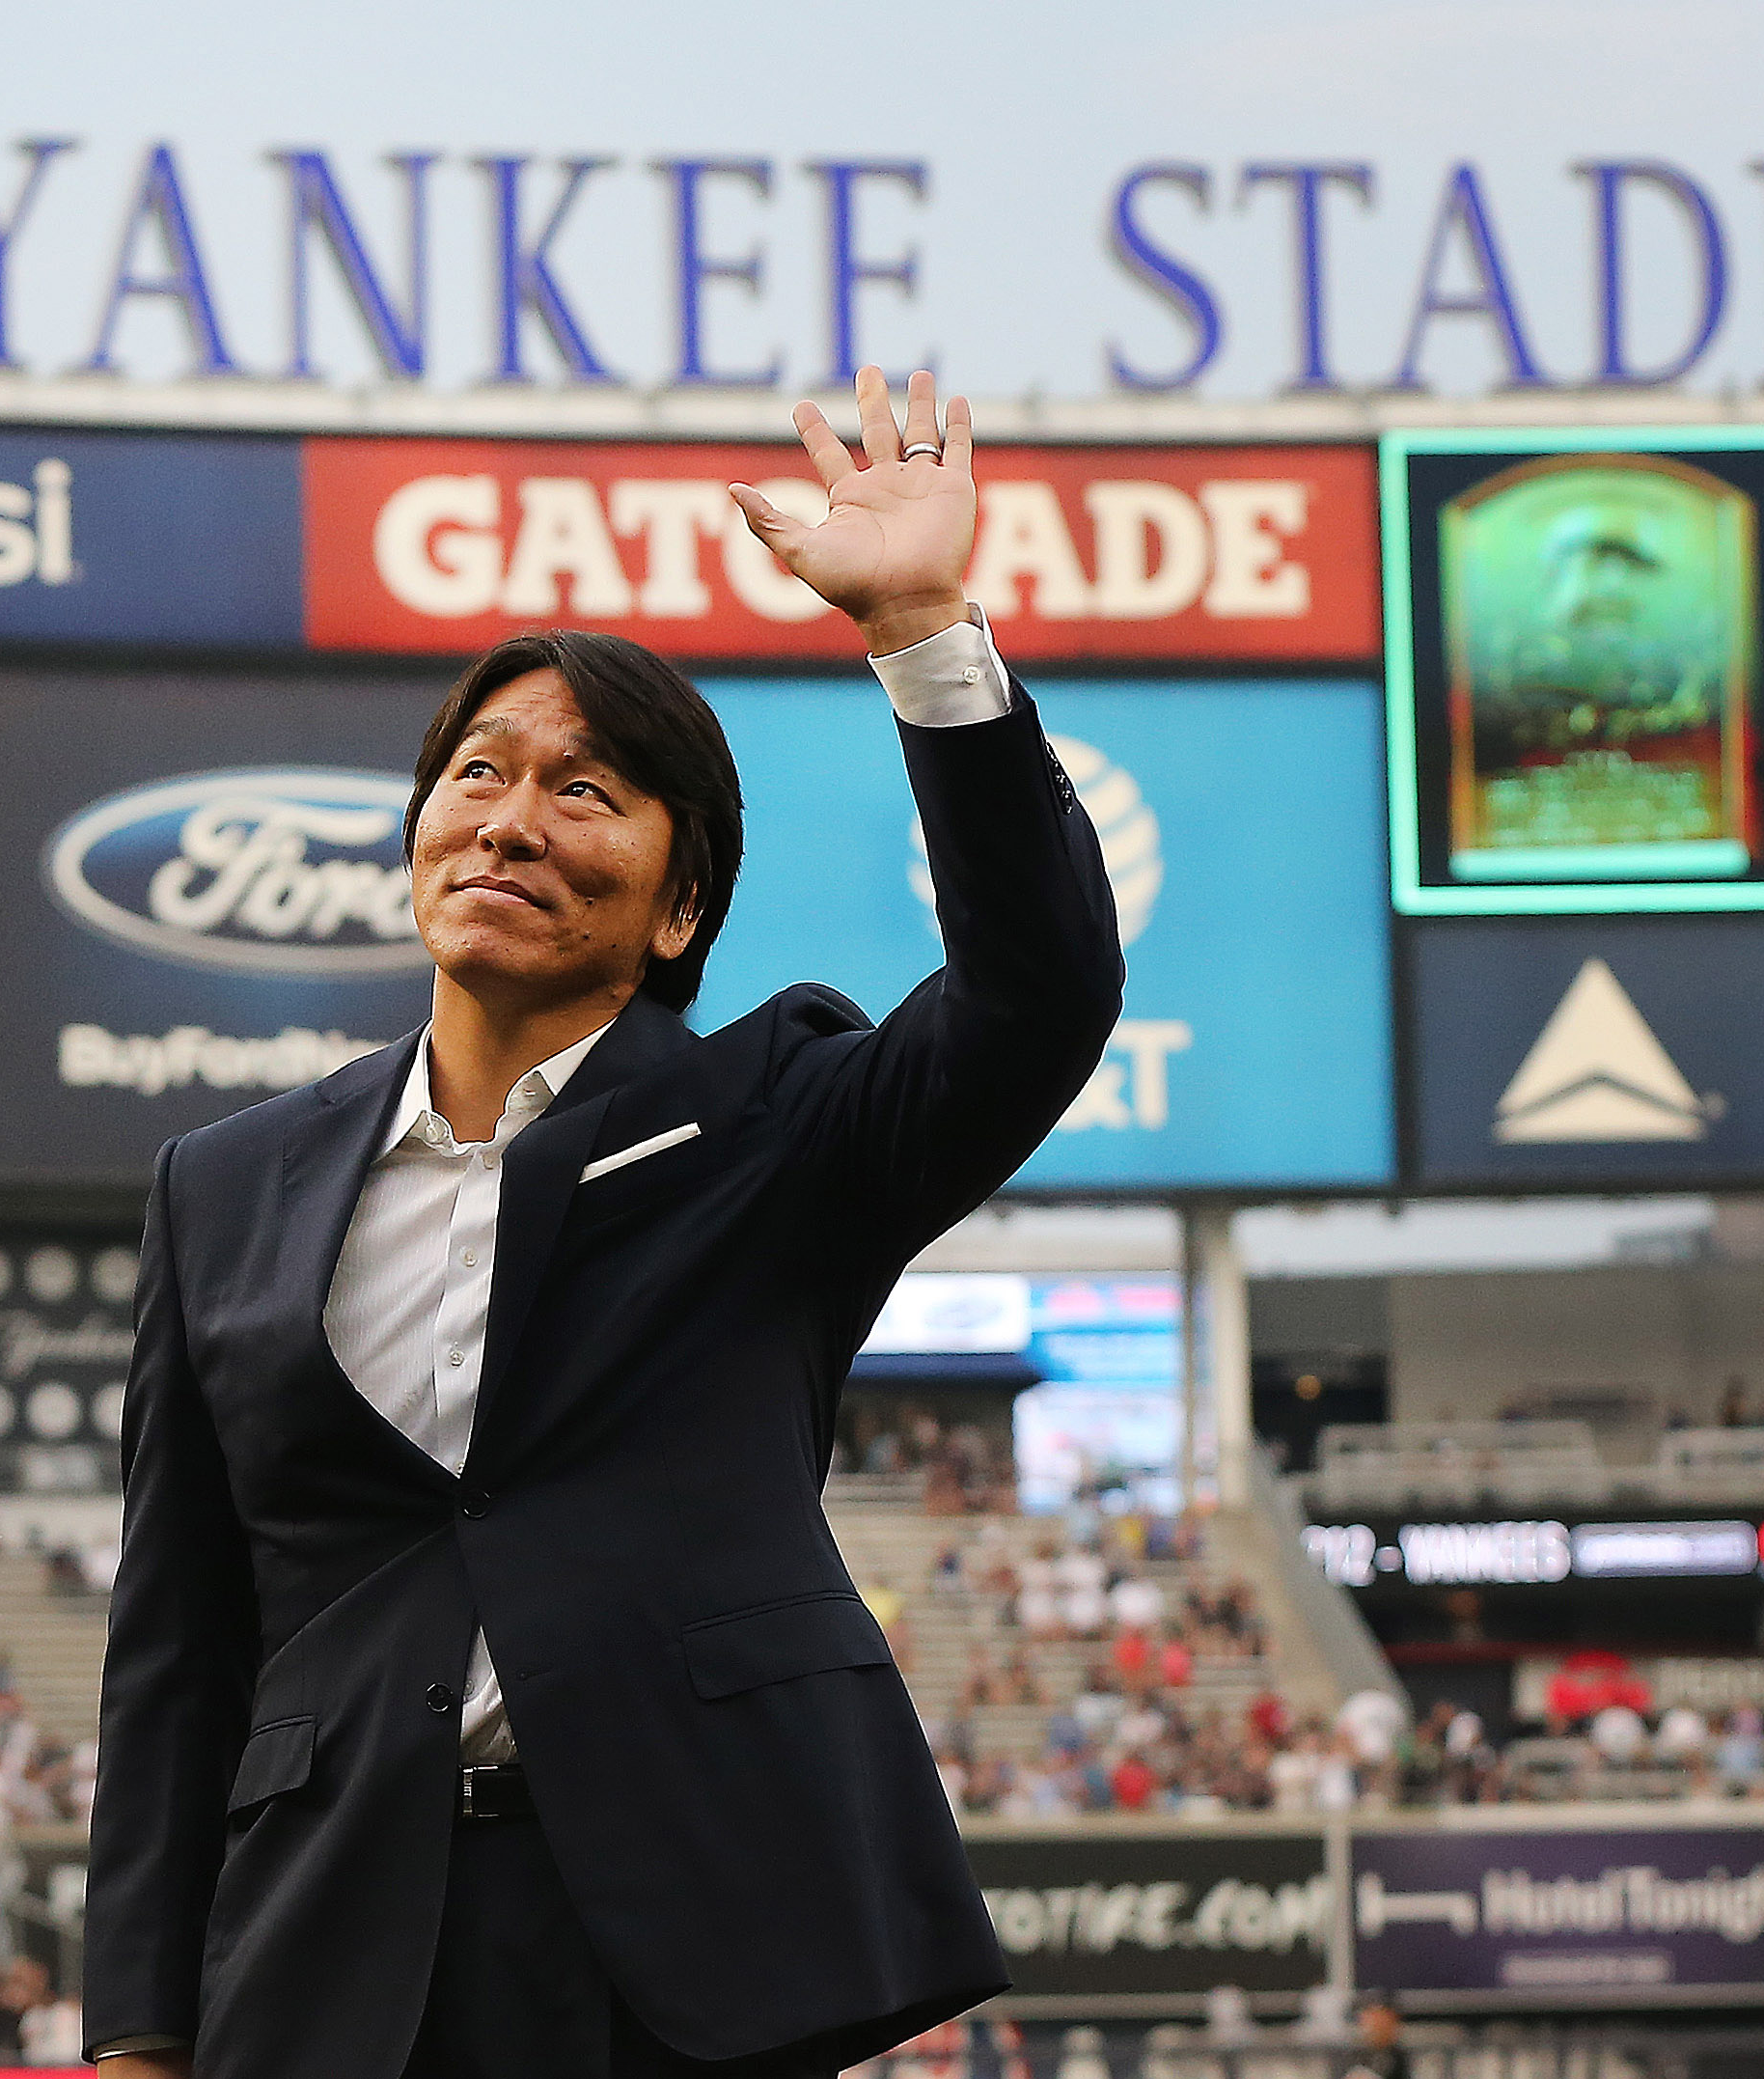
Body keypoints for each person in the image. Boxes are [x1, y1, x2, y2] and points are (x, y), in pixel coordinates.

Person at [86, 370, 1121, 2079]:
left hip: (682, 1949)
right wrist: (133, 2027)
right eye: (477, 771)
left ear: (677, 900)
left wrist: (925, 629)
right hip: (322, 1950)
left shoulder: (777, 1120)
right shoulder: (226, 1182)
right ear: (419, 830)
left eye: (584, 790)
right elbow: (177, 1636)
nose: (510, 816)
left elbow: (1039, 992)